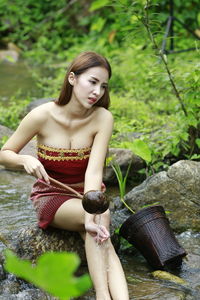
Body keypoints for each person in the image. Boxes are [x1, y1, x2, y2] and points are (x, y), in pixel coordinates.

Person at [0, 51, 129, 300]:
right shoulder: (42, 115)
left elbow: (93, 171)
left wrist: (92, 210)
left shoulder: (103, 118)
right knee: (96, 223)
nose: (98, 91)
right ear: (72, 78)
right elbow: (4, 154)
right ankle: (103, 295)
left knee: (98, 231)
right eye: (92, 82)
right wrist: (24, 158)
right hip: (52, 195)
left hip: (88, 193)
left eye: (103, 86)